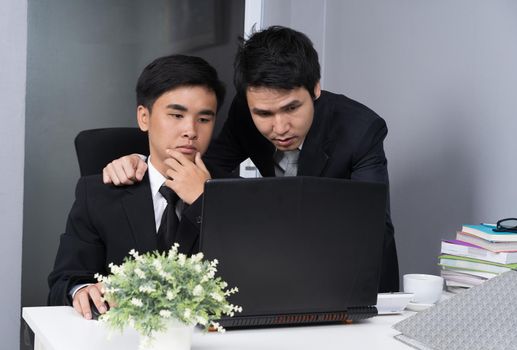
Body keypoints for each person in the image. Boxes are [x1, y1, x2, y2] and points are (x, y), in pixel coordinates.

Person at [102, 26, 399, 292]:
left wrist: (213, 198)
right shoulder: (245, 113)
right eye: (264, 114)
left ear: (315, 88)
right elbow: (207, 164)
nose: (280, 128)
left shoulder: (360, 130)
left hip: (351, 278)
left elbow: (373, 231)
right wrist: (142, 160)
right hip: (278, 275)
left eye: (292, 108)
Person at [47, 54, 226, 319]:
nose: (190, 130)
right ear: (144, 117)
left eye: (204, 119)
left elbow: (252, 281)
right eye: (176, 115)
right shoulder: (98, 192)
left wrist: (204, 202)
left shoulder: (233, 193)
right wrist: (81, 290)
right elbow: (62, 282)